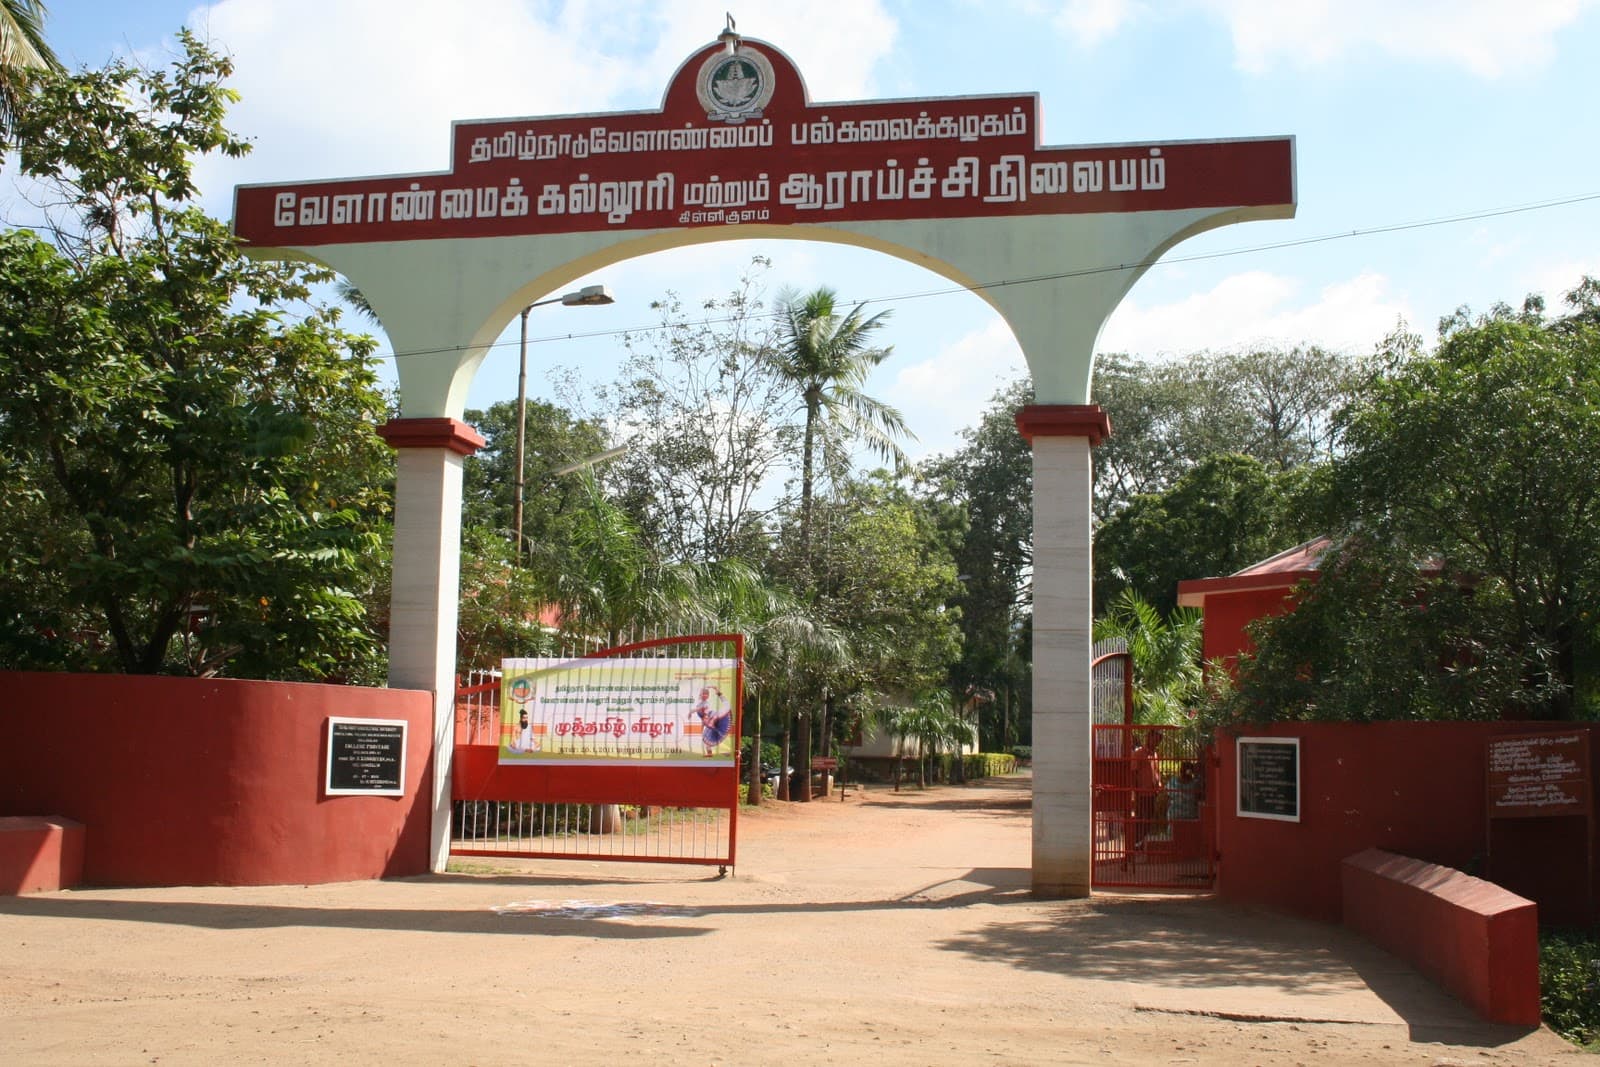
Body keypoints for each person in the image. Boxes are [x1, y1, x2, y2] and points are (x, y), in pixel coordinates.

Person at [1130, 729, 1163, 853]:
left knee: (1148, 818)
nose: (1156, 742)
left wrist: (1159, 783)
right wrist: (1135, 791)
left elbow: (1156, 771)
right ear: (1149, 737)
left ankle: (1142, 843)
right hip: (1142, 792)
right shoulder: (1138, 753)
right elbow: (1133, 772)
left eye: (1158, 740)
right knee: (1141, 819)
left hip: (1152, 792)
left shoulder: (1154, 754)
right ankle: (1136, 844)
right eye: (1155, 739)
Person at [691, 685, 733, 756]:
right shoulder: (699, 703)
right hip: (709, 721)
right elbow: (703, 719)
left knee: (726, 705)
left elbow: (705, 714)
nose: (704, 695)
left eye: (706, 694)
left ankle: (726, 751)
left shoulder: (705, 705)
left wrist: (714, 689)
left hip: (714, 718)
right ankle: (710, 753)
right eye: (703, 694)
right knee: (707, 738)